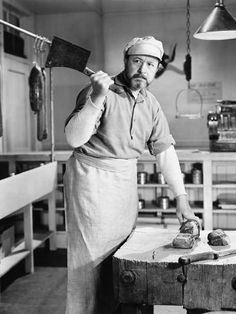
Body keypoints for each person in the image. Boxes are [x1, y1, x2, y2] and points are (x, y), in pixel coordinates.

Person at [64, 36, 199, 314]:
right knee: (89, 262)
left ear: (157, 68)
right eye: (137, 61)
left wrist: (181, 197)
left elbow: (164, 151)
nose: (143, 69)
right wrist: (97, 97)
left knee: (121, 254)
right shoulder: (99, 90)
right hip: (90, 179)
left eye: (150, 64)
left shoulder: (151, 103)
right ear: (126, 61)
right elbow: (74, 138)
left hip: (124, 181)